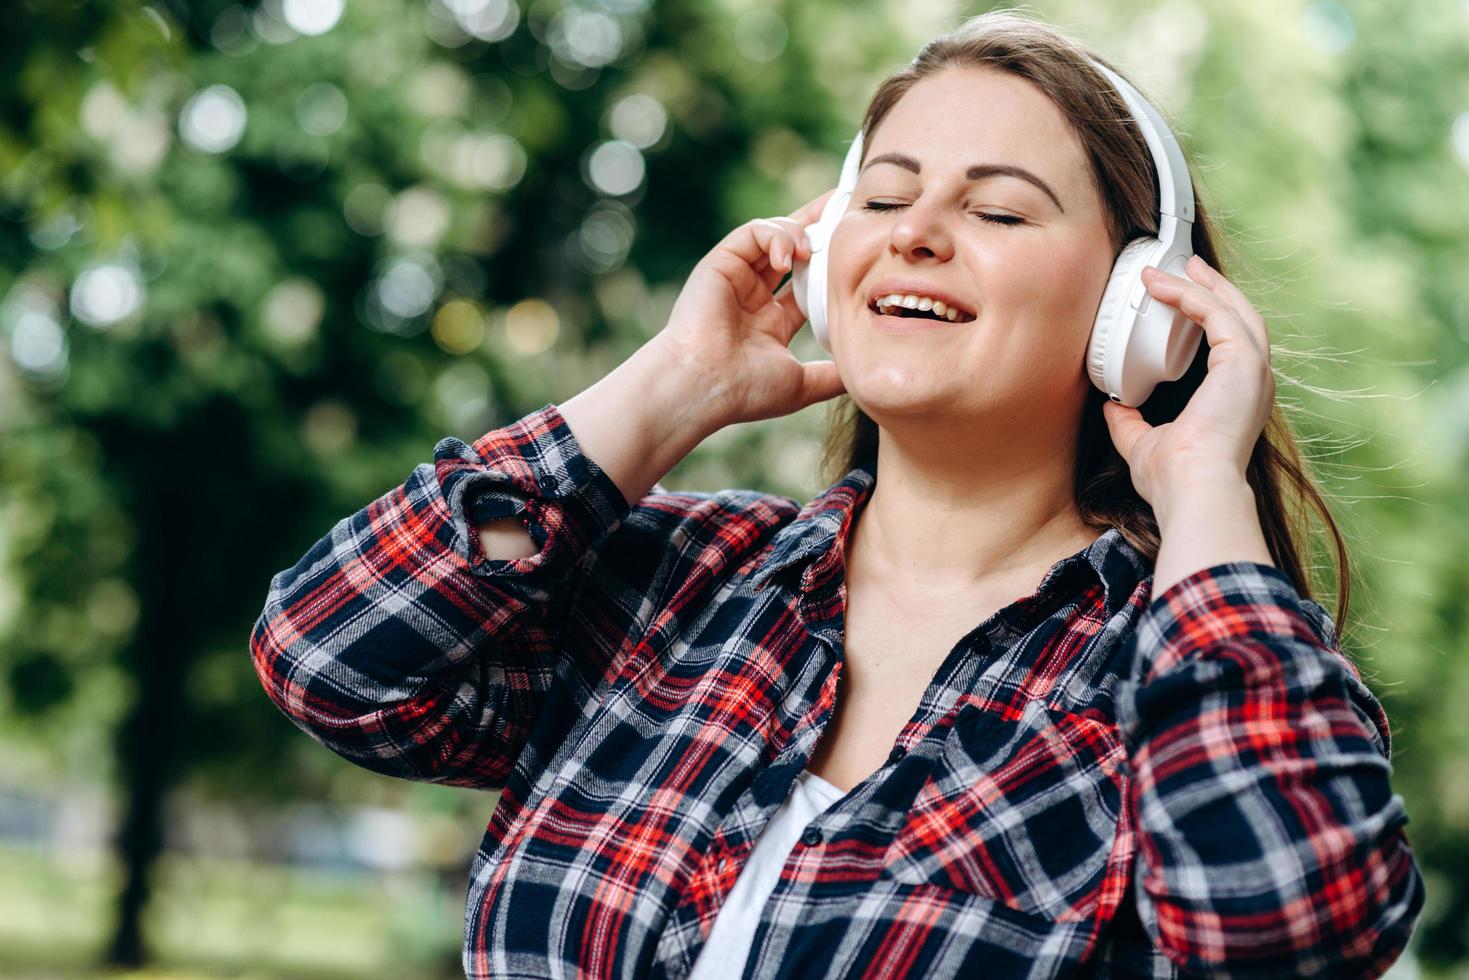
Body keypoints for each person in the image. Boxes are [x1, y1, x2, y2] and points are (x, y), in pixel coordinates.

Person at [250, 11, 1424, 978]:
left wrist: (1205, 496)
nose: (914, 232)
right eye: (885, 195)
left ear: (1138, 312)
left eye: (996, 209)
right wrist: (671, 388)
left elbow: (1288, 927)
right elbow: (332, 660)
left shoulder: (1181, 674)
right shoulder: (666, 588)